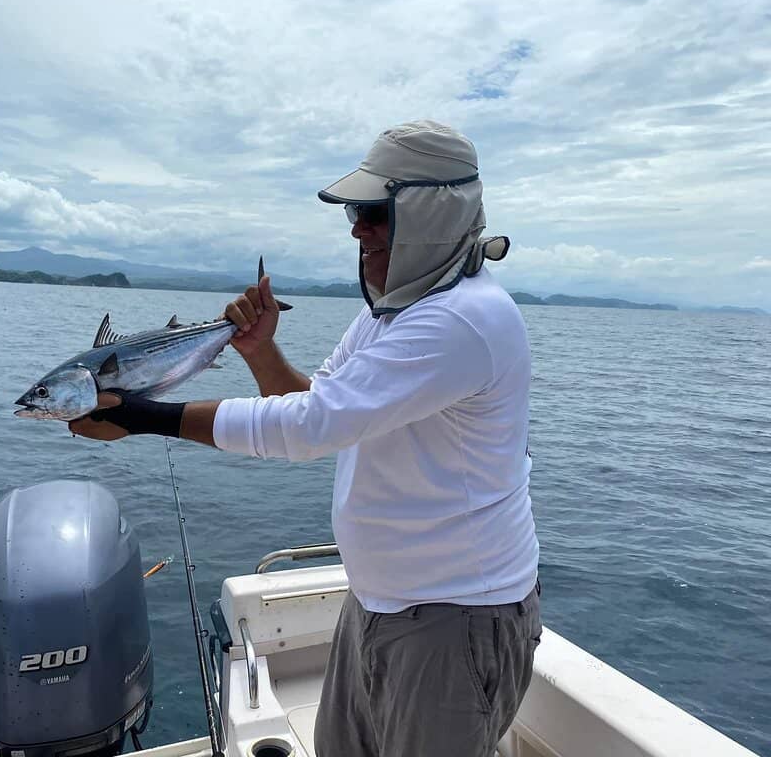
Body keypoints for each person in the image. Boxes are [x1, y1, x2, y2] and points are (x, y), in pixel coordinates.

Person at [70, 120, 541, 757]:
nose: (356, 230)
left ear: (432, 214)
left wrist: (142, 415)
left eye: (374, 212)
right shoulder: (391, 312)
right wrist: (262, 353)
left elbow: (311, 427)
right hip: (378, 601)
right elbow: (314, 405)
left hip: (454, 619)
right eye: (354, 212)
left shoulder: (464, 319)